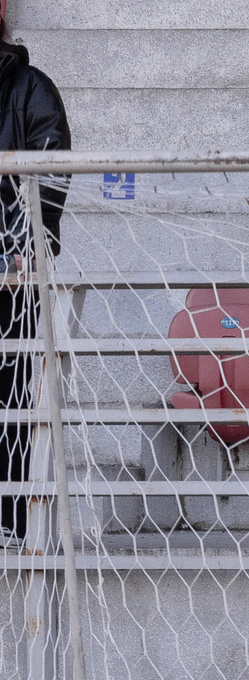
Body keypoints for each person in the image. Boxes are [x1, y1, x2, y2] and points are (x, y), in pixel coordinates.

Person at [0, 16, 69, 542]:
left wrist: (31, 242)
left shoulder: (30, 87)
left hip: (11, 271)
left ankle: (11, 520)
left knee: (12, 392)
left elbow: (52, 168)